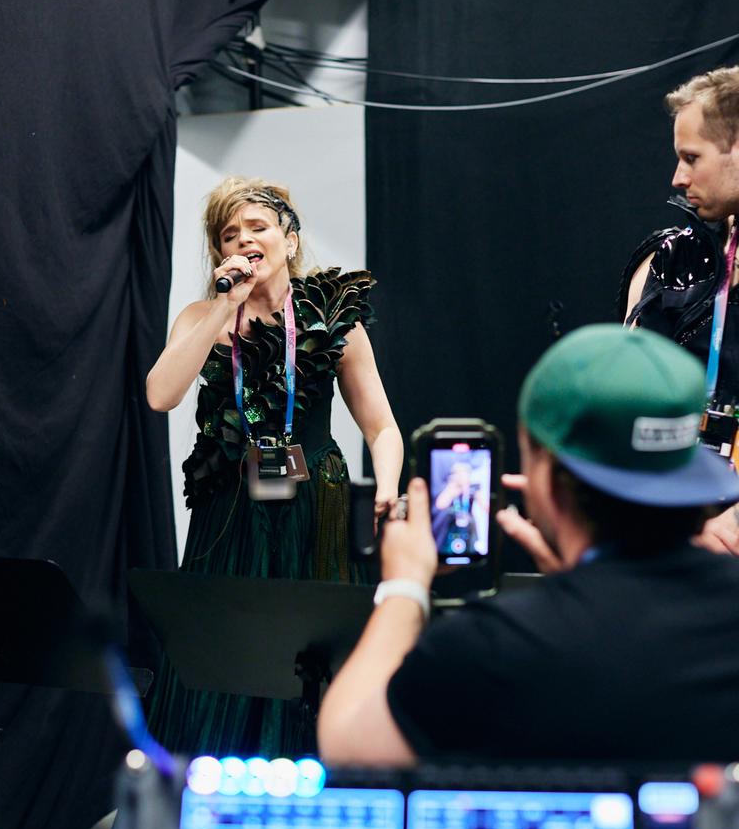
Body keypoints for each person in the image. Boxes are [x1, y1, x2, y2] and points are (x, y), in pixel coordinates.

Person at [317, 324, 739, 766]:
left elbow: (348, 744)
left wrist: (404, 587)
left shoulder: (493, 647)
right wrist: (584, 583)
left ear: (547, 479)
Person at [146, 176, 402, 757]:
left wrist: (387, 489)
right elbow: (160, 395)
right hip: (229, 509)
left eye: (257, 227)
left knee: (314, 649)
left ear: (289, 239)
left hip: (318, 506)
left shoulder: (333, 319)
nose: (243, 241)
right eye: (228, 235)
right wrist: (224, 306)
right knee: (226, 644)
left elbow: (382, 427)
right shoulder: (201, 317)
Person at [619, 67, 739, 553]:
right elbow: (626, 405)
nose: (678, 177)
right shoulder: (667, 259)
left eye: (692, 158)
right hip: (670, 528)